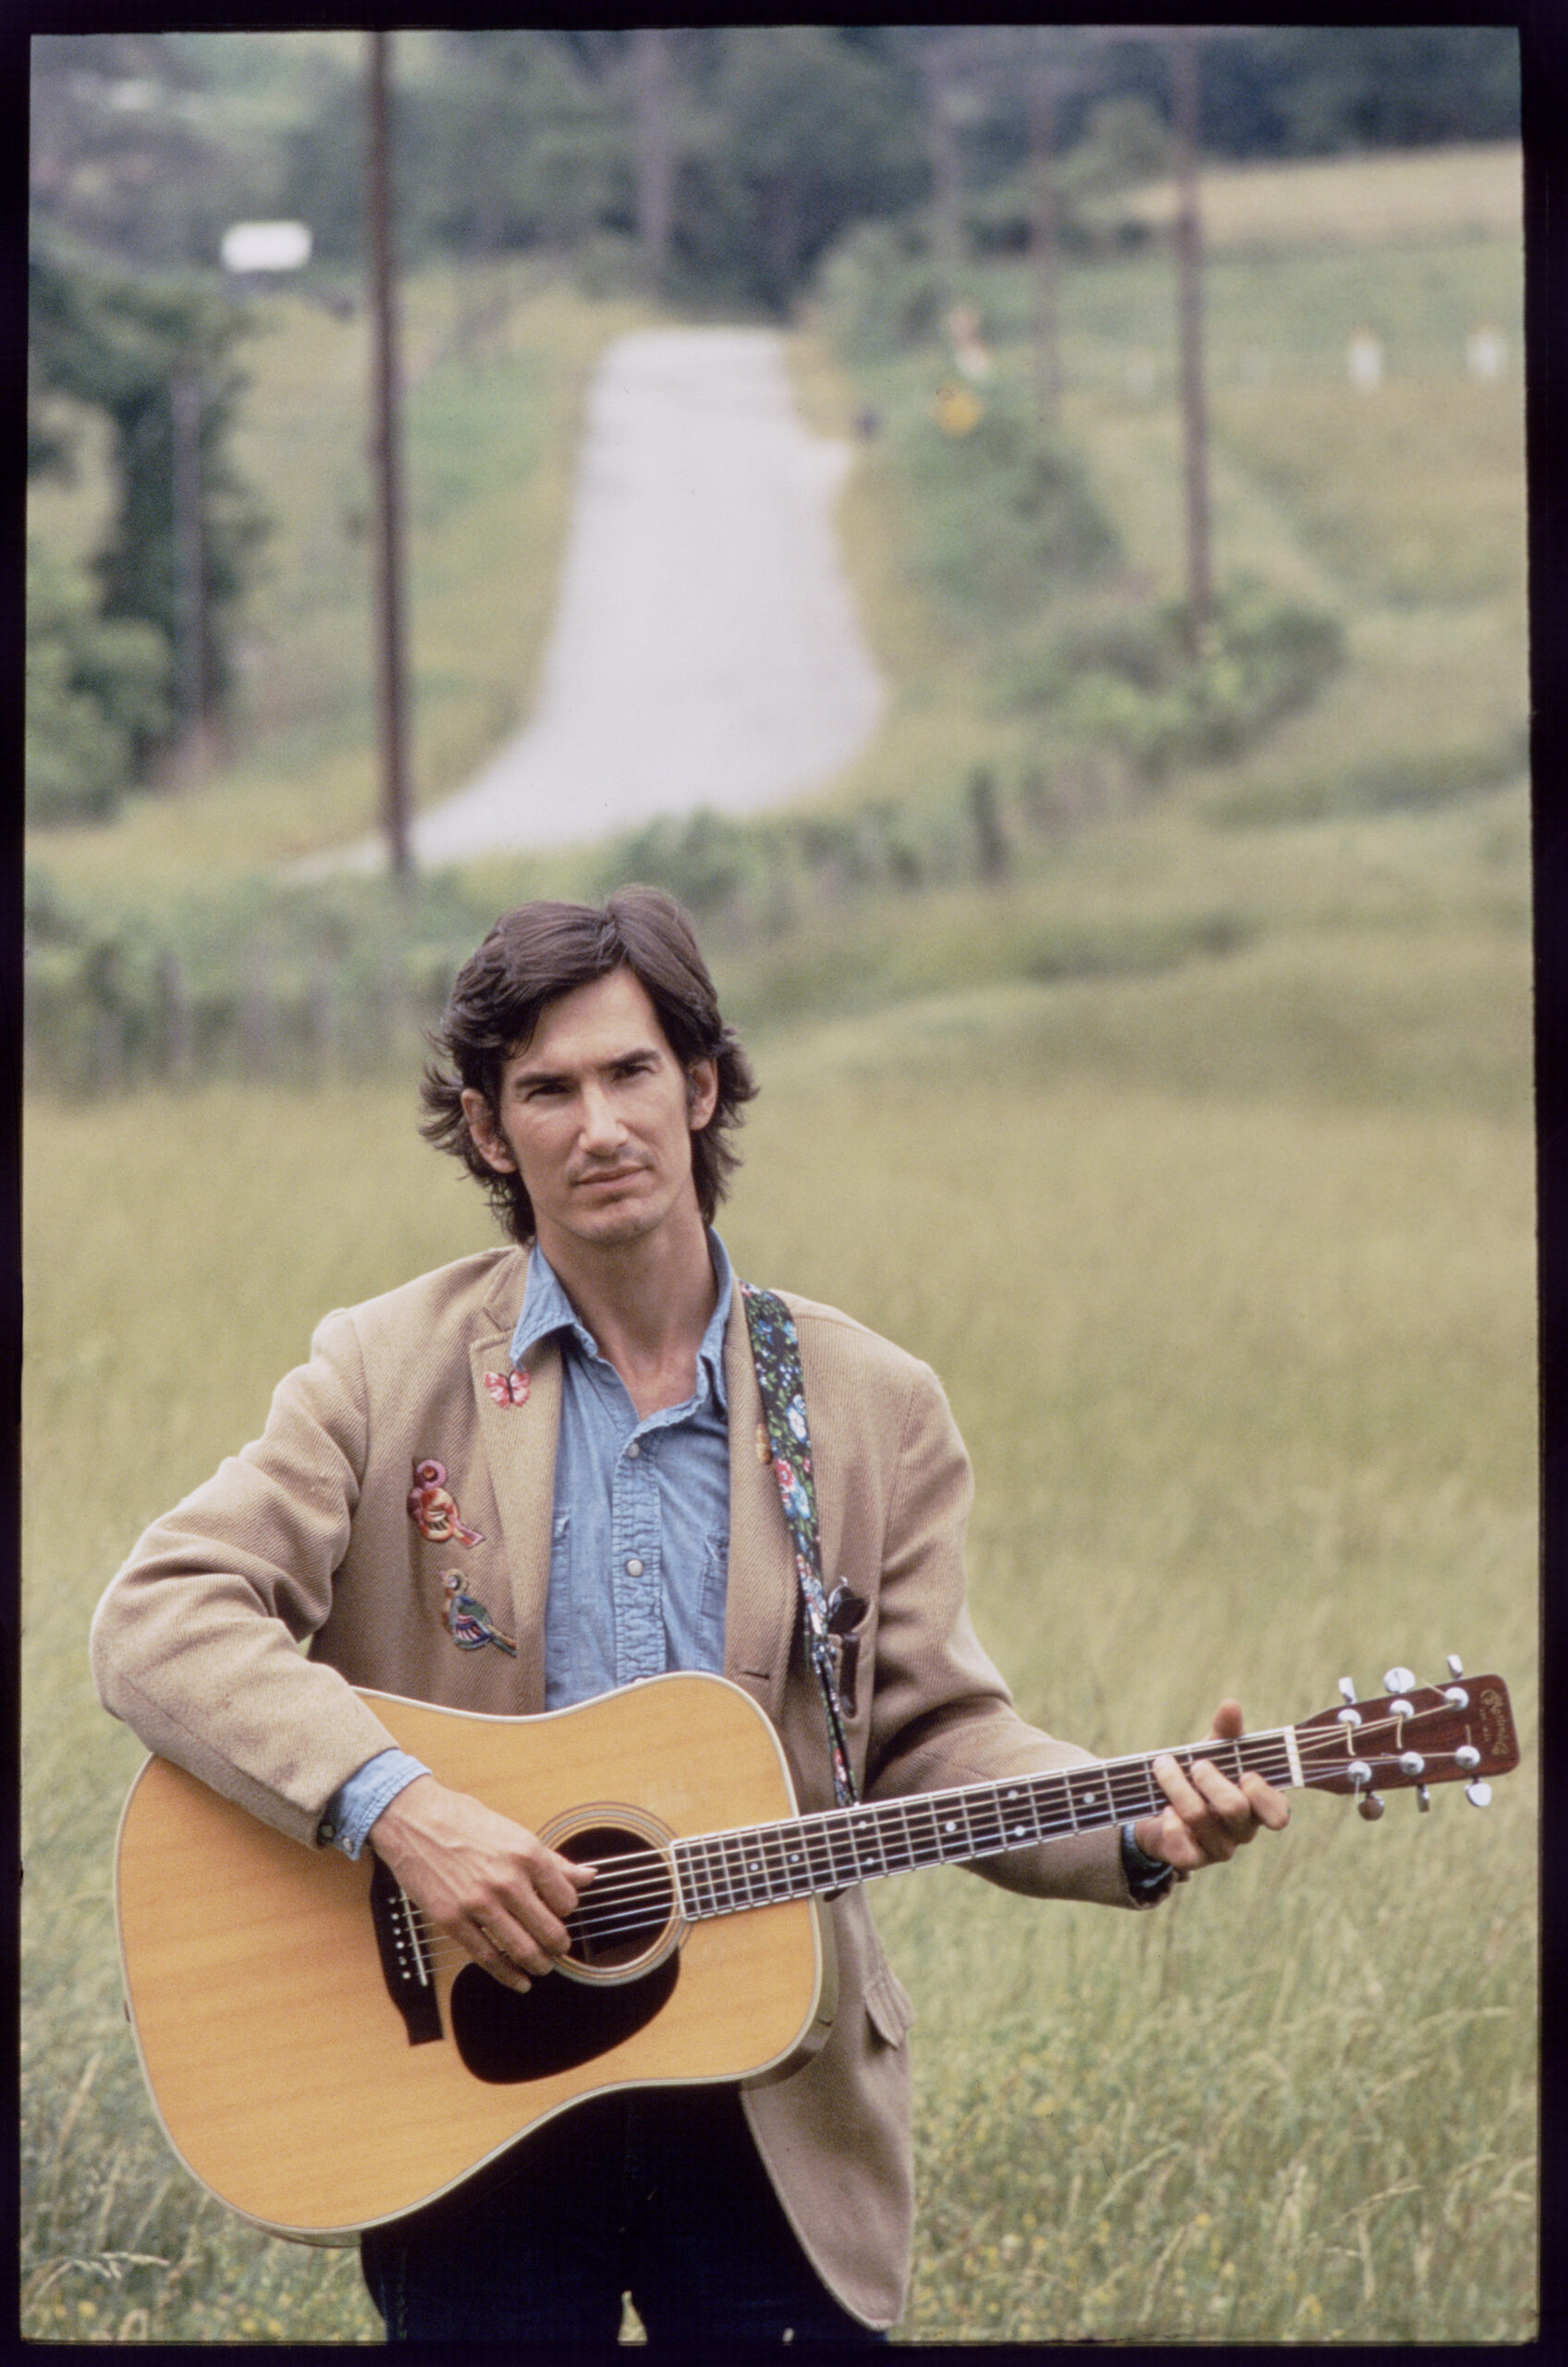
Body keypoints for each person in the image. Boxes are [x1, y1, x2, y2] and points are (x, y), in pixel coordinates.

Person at [91, 887, 1287, 2346]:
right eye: (546, 1089)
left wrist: (1132, 1826)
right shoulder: (381, 1369)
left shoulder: (865, 1406)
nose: (597, 1125)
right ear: (488, 1131)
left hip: (771, 2092)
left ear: (701, 1087)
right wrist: (402, 1810)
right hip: (466, 2093)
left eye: (630, 1073)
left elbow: (931, 1737)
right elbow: (158, 1615)